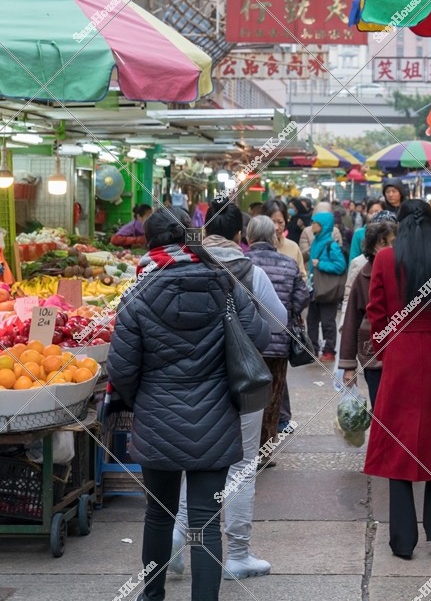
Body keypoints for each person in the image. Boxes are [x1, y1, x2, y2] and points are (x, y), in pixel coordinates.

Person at [110, 208, 268, 601]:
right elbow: (258, 338)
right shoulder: (225, 285)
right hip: (215, 421)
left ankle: (152, 596)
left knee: (158, 516)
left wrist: (142, 400)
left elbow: (122, 369)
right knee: (206, 522)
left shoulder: (137, 295)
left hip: (157, 420)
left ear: (150, 243)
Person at [168, 199, 285, 579]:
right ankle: (237, 555)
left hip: (190, 380)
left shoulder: (181, 266)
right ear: (240, 234)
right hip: (239, 380)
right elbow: (279, 323)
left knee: (193, 462)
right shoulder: (248, 269)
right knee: (241, 466)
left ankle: (175, 535)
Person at [364, 199, 431, 560]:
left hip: (401, 357)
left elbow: (376, 313)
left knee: (398, 443)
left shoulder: (385, 260)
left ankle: (403, 540)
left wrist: (390, 346)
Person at [245, 216, 309, 450]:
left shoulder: (241, 262)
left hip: (247, 343)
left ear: (248, 236)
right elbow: (302, 297)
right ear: (273, 237)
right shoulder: (288, 263)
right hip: (279, 342)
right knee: (273, 397)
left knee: (246, 395)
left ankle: (246, 448)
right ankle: (265, 448)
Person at [339, 217, 397, 406]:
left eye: (393, 243)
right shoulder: (363, 276)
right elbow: (351, 321)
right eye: (383, 244)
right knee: (379, 404)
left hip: (401, 353)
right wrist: (348, 366)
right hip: (372, 353)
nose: (389, 248)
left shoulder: (404, 272)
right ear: (372, 247)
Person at [307, 210, 347, 362]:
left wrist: (321, 264)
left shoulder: (332, 245)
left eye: (315, 223)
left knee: (327, 321)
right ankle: (312, 349)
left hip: (327, 290)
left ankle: (329, 350)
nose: (312, 225)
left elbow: (340, 266)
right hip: (315, 288)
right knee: (312, 320)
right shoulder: (316, 242)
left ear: (323, 225)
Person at [264, 200, 307, 277]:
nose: (276, 227)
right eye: (272, 222)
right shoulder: (256, 248)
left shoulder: (293, 247)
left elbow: (302, 276)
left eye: (280, 222)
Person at [348, 200, 385, 266]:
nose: (374, 214)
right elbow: (353, 259)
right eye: (370, 212)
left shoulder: (389, 233)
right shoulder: (359, 233)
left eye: (377, 211)